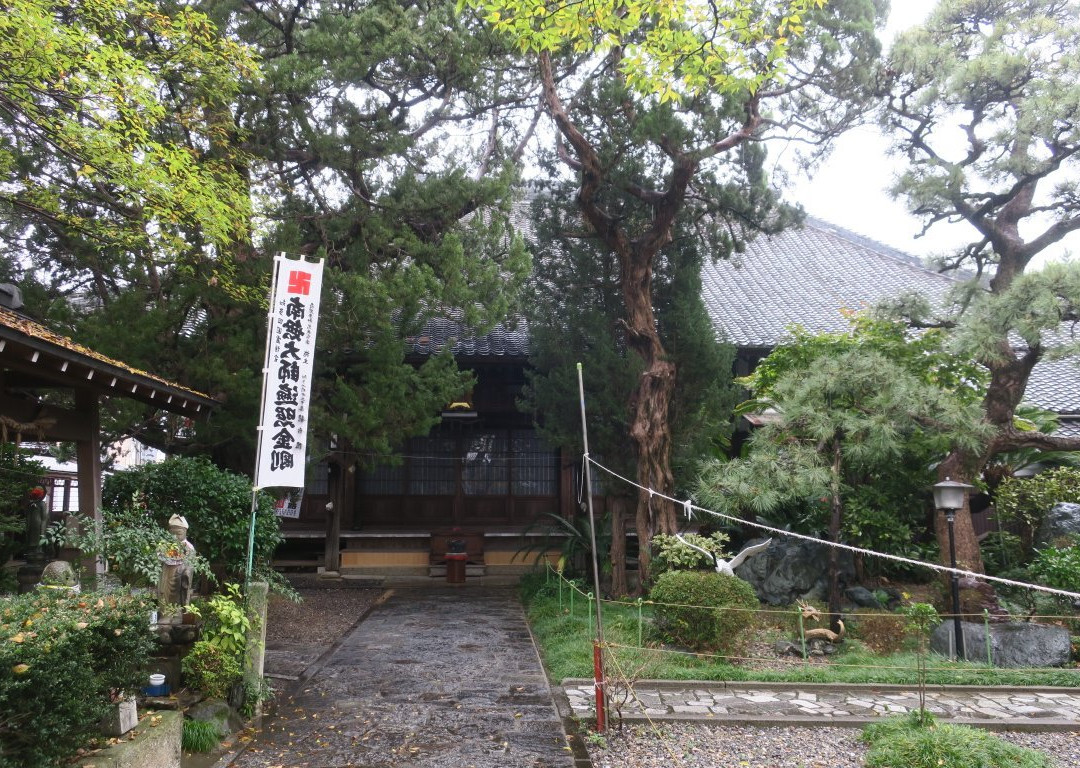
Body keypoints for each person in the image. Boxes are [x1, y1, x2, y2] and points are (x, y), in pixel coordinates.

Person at [157, 515, 196, 623]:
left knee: (179, 594)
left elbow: (191, 563)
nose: (175, 537)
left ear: (185, 532)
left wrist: (187, 571)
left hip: (180, 572)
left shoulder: (188, 546)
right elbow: (159, 558)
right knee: (164, 593)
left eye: (178, 534)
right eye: (172, 534)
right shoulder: (165, 545)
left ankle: (177, 615)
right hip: (167, 572)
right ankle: (165, 615)